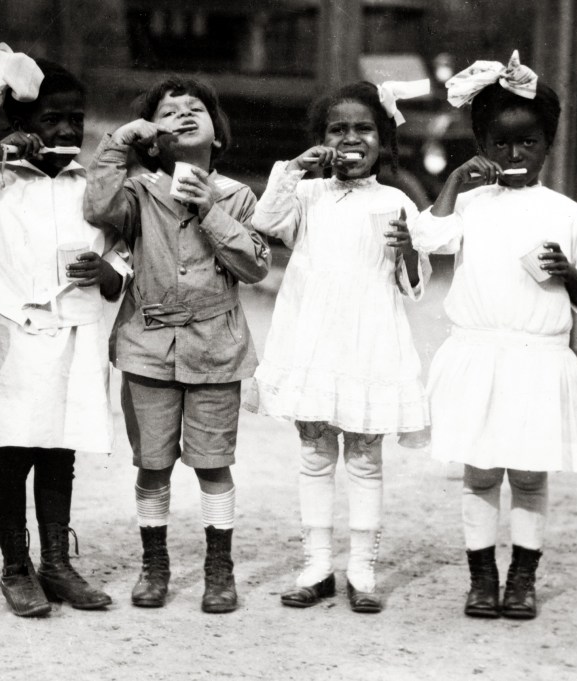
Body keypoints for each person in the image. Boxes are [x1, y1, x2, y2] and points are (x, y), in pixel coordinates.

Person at [0, 45, 130, 617]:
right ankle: (16, 566)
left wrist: (112, 271)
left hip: (71, 331)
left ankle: (57, 563)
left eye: (76, 121)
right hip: (6, 332)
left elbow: (126, 243)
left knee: (59, 449)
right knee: (12, 451)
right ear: (21, 128)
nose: (66, 130)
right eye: (51, 120)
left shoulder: (92, 186)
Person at [412, 51, 577, 620]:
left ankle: (522, 577)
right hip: (480, 353)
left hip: (537, 359)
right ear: (481, 145)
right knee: (480, 472)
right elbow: (430, 238)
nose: (515, 155)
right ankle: (481, 578)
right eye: (500, 144)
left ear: (548, 145)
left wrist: (568, 275)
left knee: (526, 471)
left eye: (529, 144)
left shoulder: (566, 213)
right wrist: (452, 183)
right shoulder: (469, 204)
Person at [83, 76, 270, 613]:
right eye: (168, 112)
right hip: (147, 345)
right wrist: (119, 142)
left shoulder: (236, 195)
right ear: (152, 138)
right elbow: (98, 208)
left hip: (217, 347)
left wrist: (211, 210)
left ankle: (219, 567)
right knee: (153, 463)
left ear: (218, 135)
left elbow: (255, 265)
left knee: (213, 463)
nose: (184, 115)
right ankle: (154, 564)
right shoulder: (137, 194)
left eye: (197, 110)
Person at [247, 80, 431, 613]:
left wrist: (407, 252)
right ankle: (316, 565)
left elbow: (412, 286)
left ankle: (363, 570)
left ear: (382, 139)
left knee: (367, 458)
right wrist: (295, 170)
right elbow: (266, 224)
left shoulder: (396, 200)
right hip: (314, 339)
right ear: (323, 139)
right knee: (314, 452)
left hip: (369, 340)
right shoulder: (305, 193)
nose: (351, 138)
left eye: (363, 128)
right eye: (338, 129)